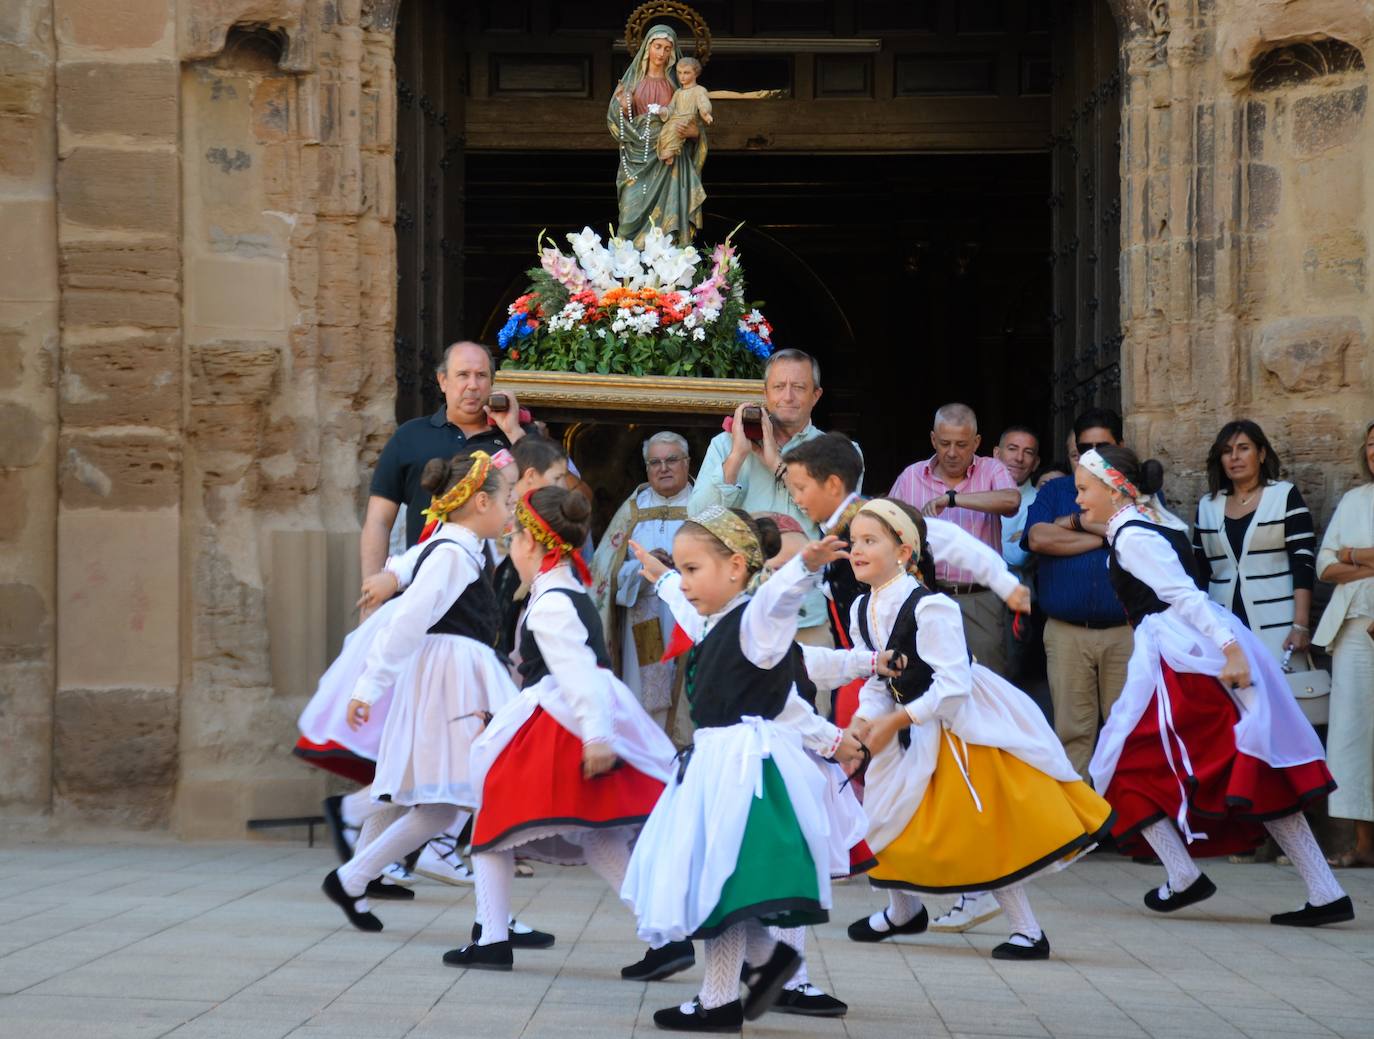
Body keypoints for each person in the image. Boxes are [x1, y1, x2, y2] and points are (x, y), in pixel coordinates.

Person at [1078, 446, 1352, 927]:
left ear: (1114, 486)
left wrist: (1229, 648)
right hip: (1182, 652)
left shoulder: (1132, 536)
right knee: (1249, 763)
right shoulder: (1153, 520)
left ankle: (1187, 874)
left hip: (1180, 659)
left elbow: (1182, 595)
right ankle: (1317, 889)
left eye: (1083, 488)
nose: (1078, 498)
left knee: (1122, 762)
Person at [838, 498, 1112, 961]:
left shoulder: (932, 608)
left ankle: (1028, 931)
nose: (857, 550)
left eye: (871, 541)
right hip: (904, 721)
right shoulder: (861, 607)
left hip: (960, 724)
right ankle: (903, 910)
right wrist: (863, 722)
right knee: (882, 815)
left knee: (980, 825)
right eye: (854, 542)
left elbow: (953, 685)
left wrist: (897, 721)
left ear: (904, 551)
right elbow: (878, 679)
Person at [621, 509, 860, 1032]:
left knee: (722, 881)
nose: (685, 583)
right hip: (718, 765)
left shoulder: (758, 622)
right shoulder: (714, 619)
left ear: (734, 567)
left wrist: (803, 566)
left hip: (743, 770)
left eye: (692, 570)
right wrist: (662, 580)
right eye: (681, 570)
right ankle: (748, 978)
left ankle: (723, 998)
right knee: (722, 884)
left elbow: (777, 601)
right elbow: (688, 616)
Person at [444, 486, 678, 971]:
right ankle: (666, 934)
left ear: (531, 542)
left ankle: (492, 939)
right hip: (563, 717)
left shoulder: (551, 599)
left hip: (564, 724)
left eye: (513, 532)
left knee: (492, 824)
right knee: (598, 837)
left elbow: (575, 672)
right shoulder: (565, 588)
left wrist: (596, 736)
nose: (508, 540)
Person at [321, 449, 529, 933]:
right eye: (507, 503)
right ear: (480, 503)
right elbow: (410, 619)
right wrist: (370, 687)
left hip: (460, 674)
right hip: (451, 682)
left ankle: (353, 878)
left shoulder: (460, 547)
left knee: (443, 806)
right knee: (482, 791)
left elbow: (412, 563)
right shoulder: (454, 555)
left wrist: (392, 573)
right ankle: (495, 922)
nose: (511, 512)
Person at [691, 349, 849, 658]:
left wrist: (777, 463)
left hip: (807, 616)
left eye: (799, 387)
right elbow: (699, 519)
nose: (787, 396)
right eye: (779, 387)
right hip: (739, 610)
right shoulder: (724, 445)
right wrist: (737, 456)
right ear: (765, 392)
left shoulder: (840, 452)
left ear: (816, 395)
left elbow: (841, 520)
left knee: (808, 705)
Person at [361, 341, 524, 617]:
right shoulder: (410, 436)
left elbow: (547, 494)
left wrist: (514, 431)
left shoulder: (515, 437)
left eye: (481, 375)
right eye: (463, 375)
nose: (473, 385)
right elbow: (378, 521)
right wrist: (372, 599)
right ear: (442, 381)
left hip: (502, 597)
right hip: (426, 593)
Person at [1023, 408, 1134, 780]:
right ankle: (1083, 830)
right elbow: (1038, 538)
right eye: (1085, 448)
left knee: (1128, 733)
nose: (1093, 455)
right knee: (1072, 733)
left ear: (1119, 445)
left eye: (1103, 446)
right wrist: (1097, 529)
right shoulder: (1057, 490)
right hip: (1067, 632)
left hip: (1126, 632)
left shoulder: (1139, 491)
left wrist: (1070, 530)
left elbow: (1143, 540)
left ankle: (1128, 826)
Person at [888, 403, 1020, 676]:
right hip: (925, 597)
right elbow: (885, 527)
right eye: (944, 443)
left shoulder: (991, 470)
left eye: (961, 444)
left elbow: (1011, 500)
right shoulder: (911, 476)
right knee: (926, 682)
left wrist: (952, 499)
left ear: (977, 442)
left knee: (987, 683)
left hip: (978, 598)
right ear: (933, 439)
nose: (951, 452)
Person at [590, 432, 693, 731]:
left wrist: (684, 566)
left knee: (684, 692)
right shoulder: (633, 510)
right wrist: (642, 569)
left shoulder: (702, 505)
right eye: (655, 462)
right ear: (646, 468)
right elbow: (605, 572)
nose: (664, 468)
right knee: (645, 698)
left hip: (687, 616)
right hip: (643, 620)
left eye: (672, 460)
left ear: (687, 463)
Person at [1193, 419, 1316, 665]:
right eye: (1227, 451)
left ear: (1261, 454)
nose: (1235, 457)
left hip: (1279, 626)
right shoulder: (1208, 505)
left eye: (1243, 448)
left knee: (1280, 698)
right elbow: (1200, 572)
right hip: (1223, 629)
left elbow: (1303, 564)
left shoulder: (1284, 496)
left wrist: (1300, 625)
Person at [1315, 419, 1374, 868]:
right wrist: (1358, 558)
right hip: (1354, 630)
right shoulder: (1354, 500)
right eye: (1370, 445)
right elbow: (1325, 567)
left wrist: (1352, 555)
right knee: (1354, 735)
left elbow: (1341, 560)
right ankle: (1362, 846)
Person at [608, 24, 704, 246]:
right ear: (647, 47)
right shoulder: (631, 82)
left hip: (669, 160)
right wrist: (623, 108)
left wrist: (694, 132)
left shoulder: (678, 86)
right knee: (628, 219)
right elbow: (614, 122)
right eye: (658, 46)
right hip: (637, 158)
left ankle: (667, 269)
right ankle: (627, 268)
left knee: (667, 225)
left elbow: (693, 120)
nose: (662, 53)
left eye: (668, 48)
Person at [657, 56, 712, 166]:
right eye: (679, 72)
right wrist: (663, 111)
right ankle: (668, 151)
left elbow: (703, 103)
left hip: (688, 117)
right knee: (665, 130)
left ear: (695, 73)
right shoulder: (678, 92)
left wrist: (705, 113)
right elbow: (671, 108)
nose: (682, 76)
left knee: (676, 129)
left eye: (686, 73)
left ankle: (671, 151)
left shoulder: (699, 90)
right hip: (676, 117)